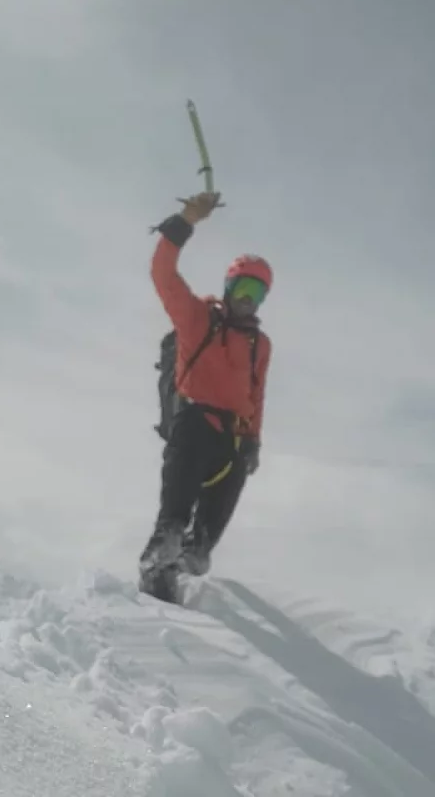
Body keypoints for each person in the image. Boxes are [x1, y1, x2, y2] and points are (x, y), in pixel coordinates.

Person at [138, 191, 273, 602]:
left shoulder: (259, 344)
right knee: (173, 528)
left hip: (233, 441)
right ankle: (157, 568)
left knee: (201, 552)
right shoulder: (197, 317)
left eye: (259, 292)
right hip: (194, 425)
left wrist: (252, 441)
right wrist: (186, 220)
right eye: (244, 287)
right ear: (229, 285)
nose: (249, 299)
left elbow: (257, 394)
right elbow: (163, 273)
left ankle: (180, 572)